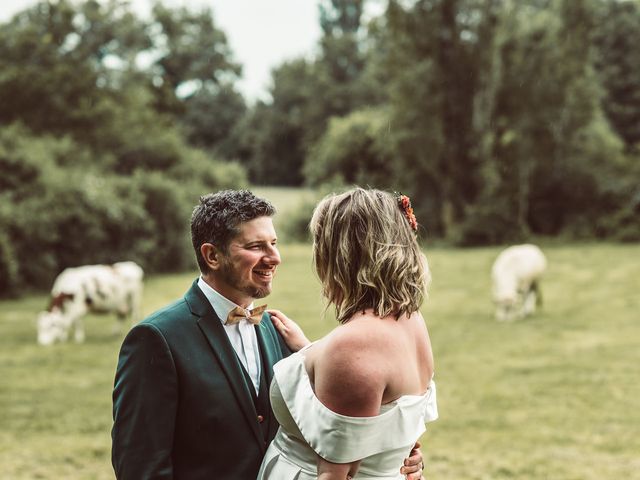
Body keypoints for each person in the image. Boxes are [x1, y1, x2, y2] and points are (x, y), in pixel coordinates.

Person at [111, 189, 426, 480]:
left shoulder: (276, 330)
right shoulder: (157, 338)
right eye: (255, 246)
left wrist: (393, 450)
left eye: (273, 243)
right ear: (212, 256)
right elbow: (140, 465)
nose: (274, 258)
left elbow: (333, 420)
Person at [257, 187, 438, 480]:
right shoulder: (411, 320)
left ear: (343, 255)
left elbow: (336, 474)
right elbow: (381, 410)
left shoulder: (353, 345)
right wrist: (308, 349)